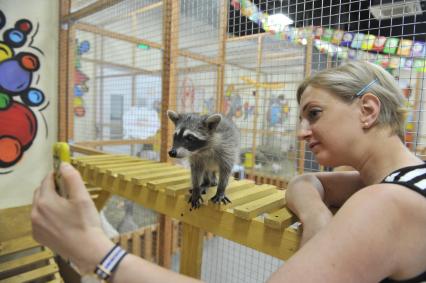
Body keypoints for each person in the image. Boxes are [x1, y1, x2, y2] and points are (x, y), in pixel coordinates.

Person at [31, 61, 426, 283]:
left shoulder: (385, 203)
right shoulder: (397, 180)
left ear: (368, 110)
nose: (302, 132)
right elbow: (305, 183)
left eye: (315, 114)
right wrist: (317, 215)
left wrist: (100, 254)